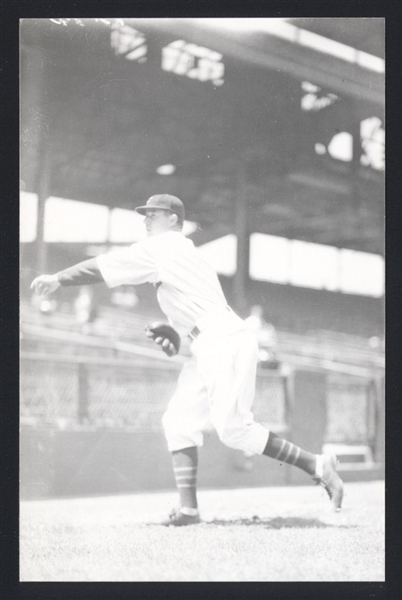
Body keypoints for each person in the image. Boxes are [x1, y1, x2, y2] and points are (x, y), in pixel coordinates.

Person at [31, 193, 344, 525]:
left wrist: (58, 278)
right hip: (208, 340)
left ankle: (317, 465)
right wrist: (175, 341)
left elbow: (105, 266)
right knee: (179, 422)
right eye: (145, 214)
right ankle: (188, 509)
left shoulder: (165, 246)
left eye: (154, 213)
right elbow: (194, 329)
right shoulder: (178, 255)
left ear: (173, 221)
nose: (146, 219)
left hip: (222, 338)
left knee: (234, 430)